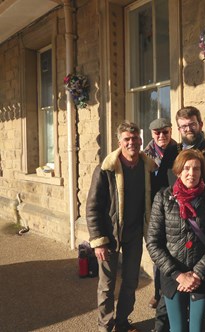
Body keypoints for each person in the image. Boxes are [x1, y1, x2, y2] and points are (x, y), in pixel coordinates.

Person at [86, 121, 156, 332]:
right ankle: (105, 326)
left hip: (134, 235)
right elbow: (92, 207)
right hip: (109, 237)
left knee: (130, 282)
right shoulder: (106, 169)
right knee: (106, 286)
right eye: (127, 139)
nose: (131, 142)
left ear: (141, 141)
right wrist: (98, 241)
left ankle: (123, 323)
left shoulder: (148, 168)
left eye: (135, 139)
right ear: (120, 142)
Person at [147, 149, 205, 332]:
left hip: (201, 276)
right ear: (178, 171)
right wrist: (178, 275)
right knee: (177, 328)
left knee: (197, 328)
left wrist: (197, 274)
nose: (191, 173)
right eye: (187, 168)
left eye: (196, 168)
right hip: (173, 275)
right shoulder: (163, 198)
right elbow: (153, 242)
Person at [144, 118, 177, 310]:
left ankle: (173, 293)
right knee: (158, 254)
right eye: (157, 133)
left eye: (165, 132)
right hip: (154, 210)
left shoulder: (179, 150)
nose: (162, 136)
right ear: (152, 134)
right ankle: (158, 293)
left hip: (174, 209)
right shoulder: (145, 155)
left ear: (171, 131)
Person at [173, 106, 205, 188]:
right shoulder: (171, 152)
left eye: (192, 124)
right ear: (179, 129)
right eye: (184, 126)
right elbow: (163, 183)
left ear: (200, 125)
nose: (188, 129)